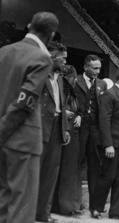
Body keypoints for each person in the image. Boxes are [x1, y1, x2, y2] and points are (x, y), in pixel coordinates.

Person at [0, 12, 58, 223]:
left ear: (28, 26)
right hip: (22, 140)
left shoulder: (4, 52)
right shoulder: (42, 58)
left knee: (4, 201)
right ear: (51, 35)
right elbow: (25, 102)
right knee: (22, 206)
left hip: (4, 139)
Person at [90, 67, 119, 220]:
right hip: (112, 143)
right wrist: (108, 144)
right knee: (107, 176)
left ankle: (117, 211)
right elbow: (104, 121)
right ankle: (96, 207)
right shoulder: (109, 95)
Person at [36, 41, 70, 223]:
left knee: (51, 174)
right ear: (53, 57)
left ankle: (43, 214)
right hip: (39, 130)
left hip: (56, 130)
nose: (65, 62)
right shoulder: (38, 74)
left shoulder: (60, 78)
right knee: (34, 172)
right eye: (63, 59)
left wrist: (65, 128)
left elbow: (61, 106)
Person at [75, 54, 107, 211]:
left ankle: (95, 204)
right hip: (79, 129)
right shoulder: (75, 82)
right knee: (76, 163)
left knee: (95, 166)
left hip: (95, 130)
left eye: (99, 68)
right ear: (85, 67)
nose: (97, 71)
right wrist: (77, 115)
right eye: (94, 68)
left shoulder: (102, 84)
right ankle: (75, 202)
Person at [51, 65, 82, 216]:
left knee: (70, 169)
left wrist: (79, 115)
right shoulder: (58, 90)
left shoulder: (72, 92)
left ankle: (71, 204)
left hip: (73, 131)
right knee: (64, 169)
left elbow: (79, 108)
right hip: (63, 129)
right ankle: (63, 205)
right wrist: (64, 112)